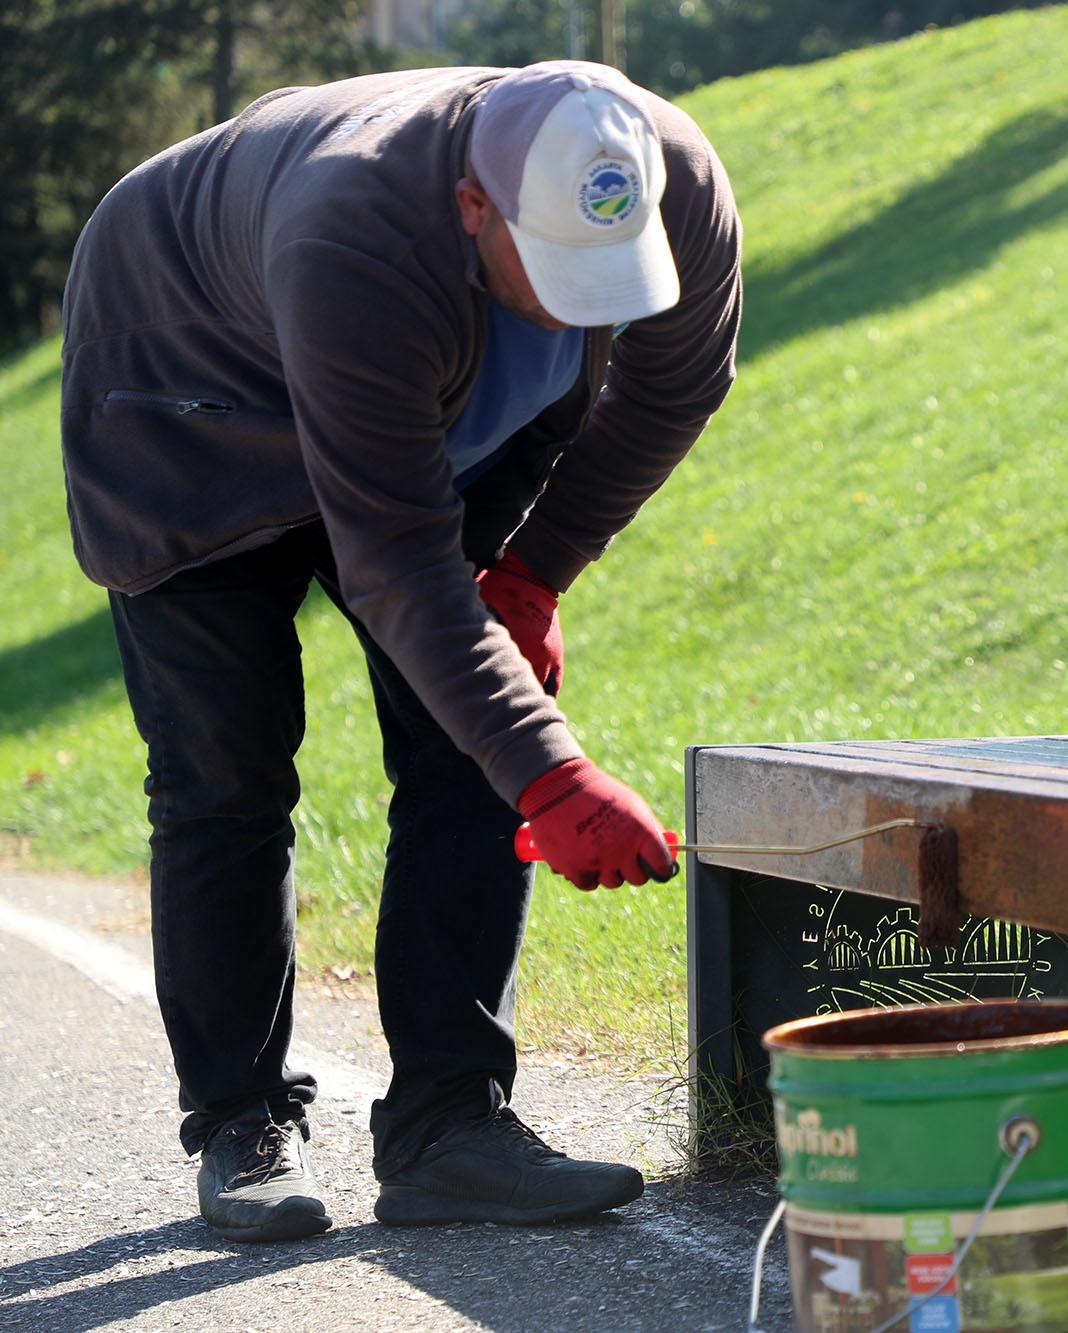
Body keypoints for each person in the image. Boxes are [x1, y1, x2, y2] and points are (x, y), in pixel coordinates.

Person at [58, 60, 741, 1242]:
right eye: (560, 276)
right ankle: (240, 1122)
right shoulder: (355, 230)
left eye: (608, 281)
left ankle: (449, 1127)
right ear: (475, 206)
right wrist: (556, 775)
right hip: (183, 395)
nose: (587, 310)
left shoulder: (668, 178)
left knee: (461, 747)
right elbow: (398, 559)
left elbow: (670, 390)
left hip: (427, 392)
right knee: (226, 772)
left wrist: (534, 572)